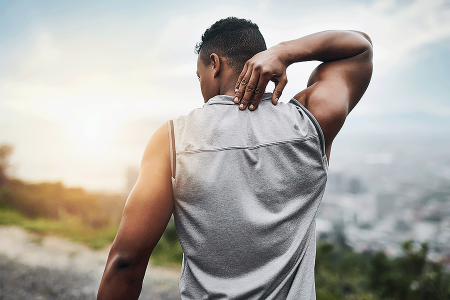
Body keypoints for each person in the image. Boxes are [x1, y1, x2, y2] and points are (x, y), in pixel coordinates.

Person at [97, 17, 372, 300]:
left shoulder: (173, 140)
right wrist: (284, 52)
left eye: (199, 74)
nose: (201, 84)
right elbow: (360, 48)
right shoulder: (308, 124)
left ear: (215, 64)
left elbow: (126, 263)